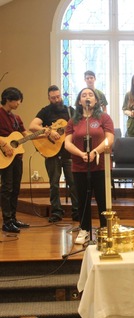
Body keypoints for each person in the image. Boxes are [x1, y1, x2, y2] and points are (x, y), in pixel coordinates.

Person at [65, 87, 114, 245]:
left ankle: (105, 229)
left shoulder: (104, 118)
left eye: (91, 95)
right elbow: (67, 143)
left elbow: (109, 139)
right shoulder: (73, 121)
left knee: (102, 199)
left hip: (100, 166)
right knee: (82, 199)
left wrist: (94, 152)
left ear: (96, 100)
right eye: (84, 95)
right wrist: (81, 154)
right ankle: (84, 229)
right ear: (79, 101)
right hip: (80, 166)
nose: (87, 97)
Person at [29, 85, 79, 222]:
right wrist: (50, 131)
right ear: (49, 98)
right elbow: (32, 126)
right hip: (51, 153)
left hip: (68, 153)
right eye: (53, 98)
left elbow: (78, 126)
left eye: (58, 96)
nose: (57, 100)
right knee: (54, 184)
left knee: (73, 183)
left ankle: (77, 212)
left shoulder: (70, 111)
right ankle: (56, 212)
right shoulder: (45, 111)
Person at [0, 87, 30, 233]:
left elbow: (26, 134)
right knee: (7, 188)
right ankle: (6, 221)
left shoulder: (16, 118)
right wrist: (4, 144)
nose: (19, 103)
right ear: (8, 99)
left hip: (17, 157)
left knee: (16, 188)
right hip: (4, 157)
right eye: (17, 100)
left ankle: (13, 218)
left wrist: (43, 133)